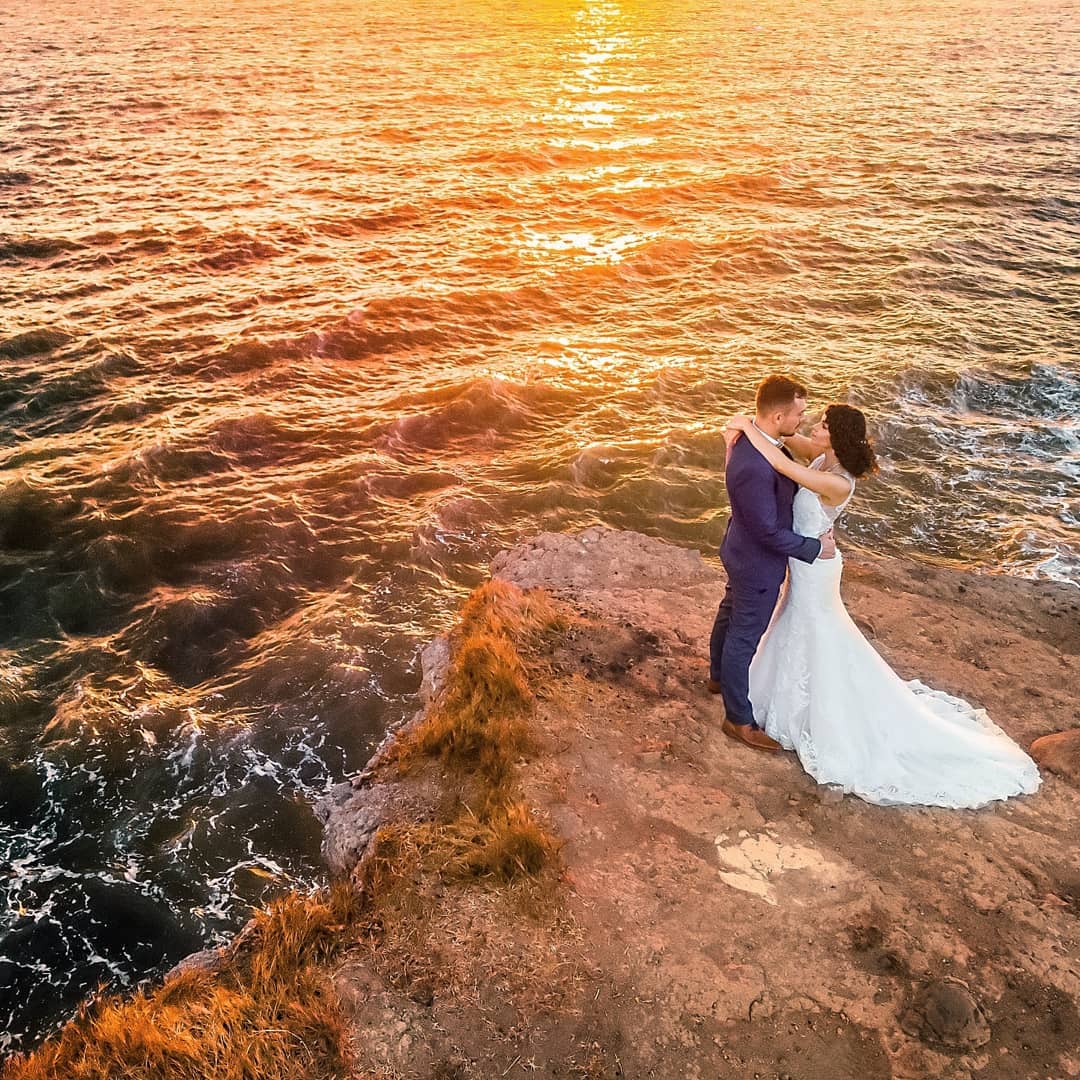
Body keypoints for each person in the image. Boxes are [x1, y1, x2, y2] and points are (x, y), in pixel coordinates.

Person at [723, 405, 1041, 808]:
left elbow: (778, 463)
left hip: (818, 568)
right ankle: (778, 700)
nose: (812, 427)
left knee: (819, 629)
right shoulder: (822, 455)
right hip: (804, 563)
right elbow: (780, 437)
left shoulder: (836, 481)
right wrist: (749, 424)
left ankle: (825, 713)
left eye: (821, 424)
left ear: (835, 437)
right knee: (795, 625)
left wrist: (744, 429)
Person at [709, 375, 835, 752]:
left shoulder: (752, 442)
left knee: (730, 613)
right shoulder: (756, 465)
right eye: (799, 413)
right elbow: (767, 530)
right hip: (757, 562)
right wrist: (813, 548)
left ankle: (717, 677)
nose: (802, 420)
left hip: (739, 548)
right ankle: (738, 719)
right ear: (779, 416)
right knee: (744, 636)